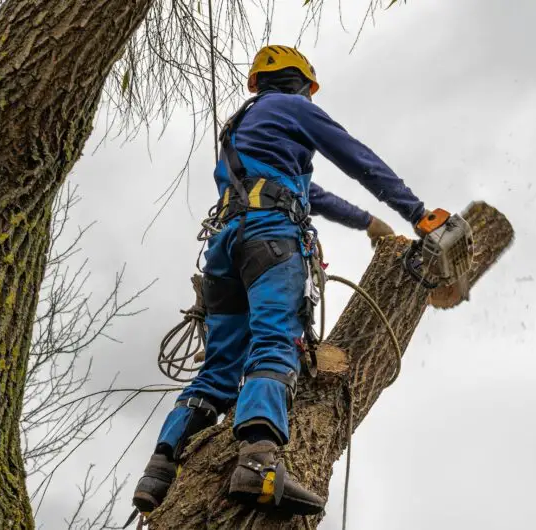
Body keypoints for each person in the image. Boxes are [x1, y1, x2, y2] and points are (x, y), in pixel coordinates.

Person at [132, 44, 429, 517]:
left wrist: (368, 221)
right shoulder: (293, 109)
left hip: (225, 249)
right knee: (275, 341)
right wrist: (418, 214)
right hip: (271, 239)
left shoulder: (244, 130)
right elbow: (356, 157)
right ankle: (259, 463)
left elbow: (312, 194)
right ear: (305, 85)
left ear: (258, 83)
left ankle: (158, 469)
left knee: (220, 367)